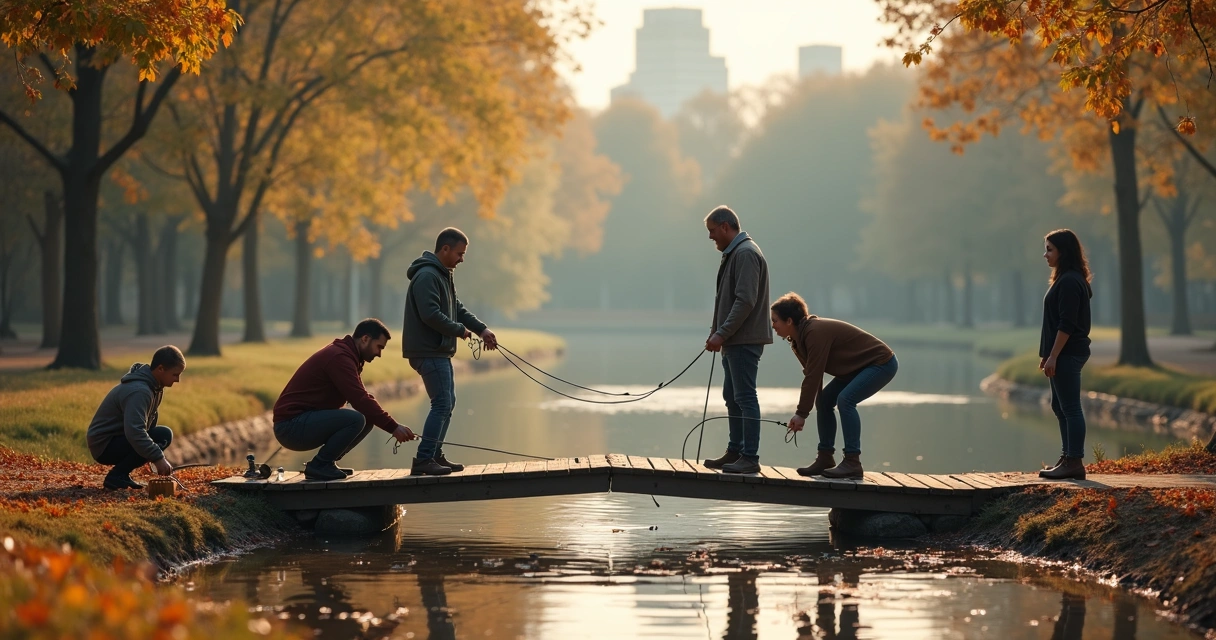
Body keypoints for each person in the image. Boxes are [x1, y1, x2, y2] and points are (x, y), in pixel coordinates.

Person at [402, 227, 498, 476]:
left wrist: (481, 329)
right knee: (442, 403)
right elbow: (430, 314)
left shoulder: (443, 275)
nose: (462, 259)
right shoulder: (427, 276)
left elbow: (457, 308)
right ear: (444, 249)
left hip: (438, 351)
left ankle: (433, 455)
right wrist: (460, 331)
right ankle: (424, 459)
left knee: (448, 403)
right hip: (428, 350)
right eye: (459, 253)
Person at [770, 293, 897, 479]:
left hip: (880, 363)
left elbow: (813, 376)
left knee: (846, 400)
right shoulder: (798, 340)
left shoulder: (814, 332)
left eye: (775, 321)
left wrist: (801, 413)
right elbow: (814, 373)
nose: (773, 325)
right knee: (824, 401)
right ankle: (825, 458)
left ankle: (853, 462)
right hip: (856, 368)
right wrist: (807, 408)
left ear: (789, 321)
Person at [273, 319, 416, 481]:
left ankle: (327, 462)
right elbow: (360, 399)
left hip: (302, 421)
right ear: (365, 339)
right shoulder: (339, 357)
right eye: (379, 347)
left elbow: (362, 398)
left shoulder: (348, 355)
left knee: (367, 417)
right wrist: (393, 427)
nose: (379, 354)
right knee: (356, 418)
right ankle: (320, 465)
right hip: (290, 427)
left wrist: (391, 425)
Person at [702, 205, 772, 475]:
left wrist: (722, 332)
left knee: (744, 396)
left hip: (743, 340)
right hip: (734, 340)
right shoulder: (735, 252)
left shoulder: (744, 253)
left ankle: (749, 456)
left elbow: (745, 301)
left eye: (712, 231)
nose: (711, 238)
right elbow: (730, 299)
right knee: (731, 395)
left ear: (725, 227)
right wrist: (716, 330)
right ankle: (735, 450)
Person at [86, 345, 185, 490]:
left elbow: (145, 426)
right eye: (175, 374)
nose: (177, 380)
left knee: (161, 435)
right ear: (161, 369)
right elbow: (135, 432)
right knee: (162, 435)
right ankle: (117, 476)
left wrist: (151, 455)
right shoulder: (140, 391)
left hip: (119, 438)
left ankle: (120, 475)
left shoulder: (154, 387)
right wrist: (158, 458)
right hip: (104, 445)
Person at [1037, 228, 1093, 480]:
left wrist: (1054, 355)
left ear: (1063, 252)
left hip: (1068, 353)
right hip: (1061, 353)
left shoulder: (1070, 281)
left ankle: (1074, 461)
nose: (1045, 254)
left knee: (1070, 407)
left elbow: (1066, 324)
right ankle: (1067, 456)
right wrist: (1047, 354)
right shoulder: (1065, 279)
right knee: (1059, 406)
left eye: (1050, 249)